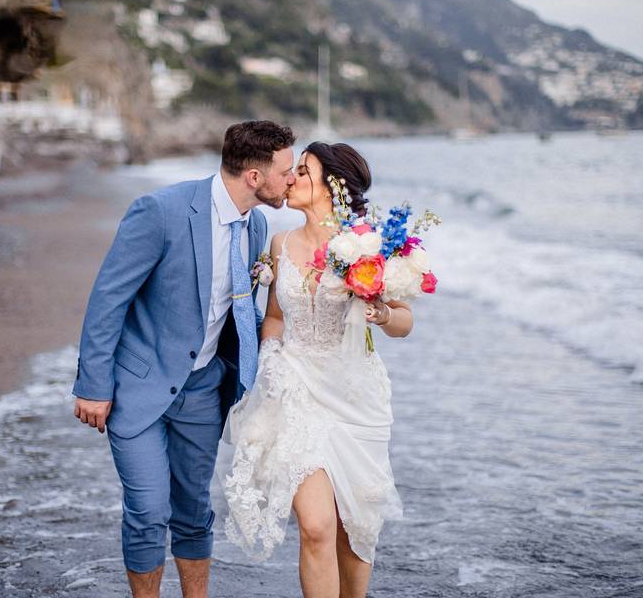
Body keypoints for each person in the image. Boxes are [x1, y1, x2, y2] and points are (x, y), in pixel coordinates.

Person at [72, 120, 296, 598]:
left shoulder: (256, 224)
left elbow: (239, 309)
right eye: (286, 170)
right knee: (149, 512)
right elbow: (109, 298)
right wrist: (92, 384)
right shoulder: (161, 211)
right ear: (254, 177)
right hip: (140, 388)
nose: (292, 179)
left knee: (194, 511)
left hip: (203, 391)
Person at [219, 142, 413, 598]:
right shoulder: (280, 244)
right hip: (295, 390)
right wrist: (268, 363)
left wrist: (381, 314)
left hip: (355, 396)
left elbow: (404, 321)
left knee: (355, 526)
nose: (290, 179)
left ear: (333, 186)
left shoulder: (370, 245)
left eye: (302, 172)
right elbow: (276, 318)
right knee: (317, 525)